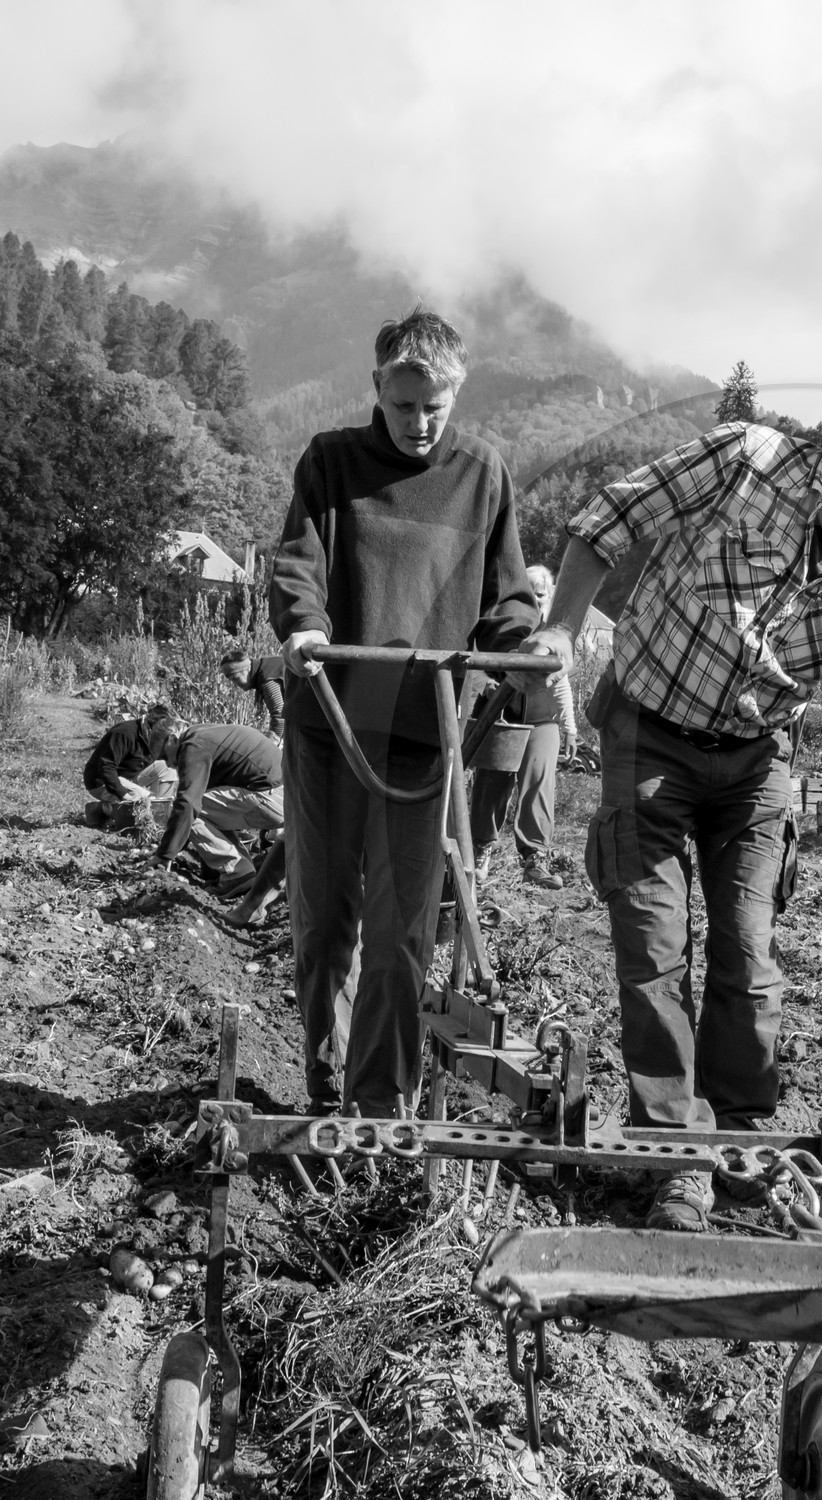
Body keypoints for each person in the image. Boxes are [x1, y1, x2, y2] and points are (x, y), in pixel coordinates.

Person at [530, 363, 822, 1229]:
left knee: (749, 953)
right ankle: (673, 1157)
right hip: (649, 733)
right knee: (653, 949)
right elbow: (607, 521)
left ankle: (736, 1135)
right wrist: (559, 630)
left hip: (758, 758)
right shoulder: (744, 460)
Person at [271, 308, 537, 1115]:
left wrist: (526, 658)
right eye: (404, 404)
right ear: (377, 388)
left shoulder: (483, 474)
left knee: (403, 931)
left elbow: (507, 599)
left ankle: (381, 1102)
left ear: (457, 394)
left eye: (436, 407)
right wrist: (306, 629)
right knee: (325, 918)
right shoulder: (333, 462)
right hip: (332, 722)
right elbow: (298, 565)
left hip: (425, 734)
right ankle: (327, 1084)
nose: (420, 424)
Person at [468, 564, 578, 890]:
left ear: (550, 597)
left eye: (541, 594)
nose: (536, 600)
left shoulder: (554, 633)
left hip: (542, 719)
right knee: (492, 783)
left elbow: (560, 683)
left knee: (540, 781)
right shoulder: (502, 625)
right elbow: (473, 659)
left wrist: (570, 726)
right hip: (500, 715)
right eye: (529, 593)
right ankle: (479, 849)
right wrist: (487, 682)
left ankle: (535, 858)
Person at [132, 722, 284, 895]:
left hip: (271, 796)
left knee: (190, 808)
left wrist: (164, 854)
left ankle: (237, 873)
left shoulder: (193, 747)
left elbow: (188, 805)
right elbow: (206, 813)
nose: (167, 764)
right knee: (203, 809)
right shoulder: (201, 736)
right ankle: (235, 872)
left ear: (173, 739)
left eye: (165, 756)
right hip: (288, 795)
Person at [82, 703, 177, 825]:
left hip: (130, 777)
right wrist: (124, 794)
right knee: (142, 800)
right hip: (102, 781)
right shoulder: (124, 733)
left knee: (168, 770)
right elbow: (106, 766)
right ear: (153, 723)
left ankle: (159, 819)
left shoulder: (158, 736)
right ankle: (101, 809)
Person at [219, 649, 286, 740]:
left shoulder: (268, 679)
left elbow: (279, 714)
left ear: (248, 668)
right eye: (231, 680)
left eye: (236, 678)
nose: (235, 683)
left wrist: (271, 743)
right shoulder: (264, 668)